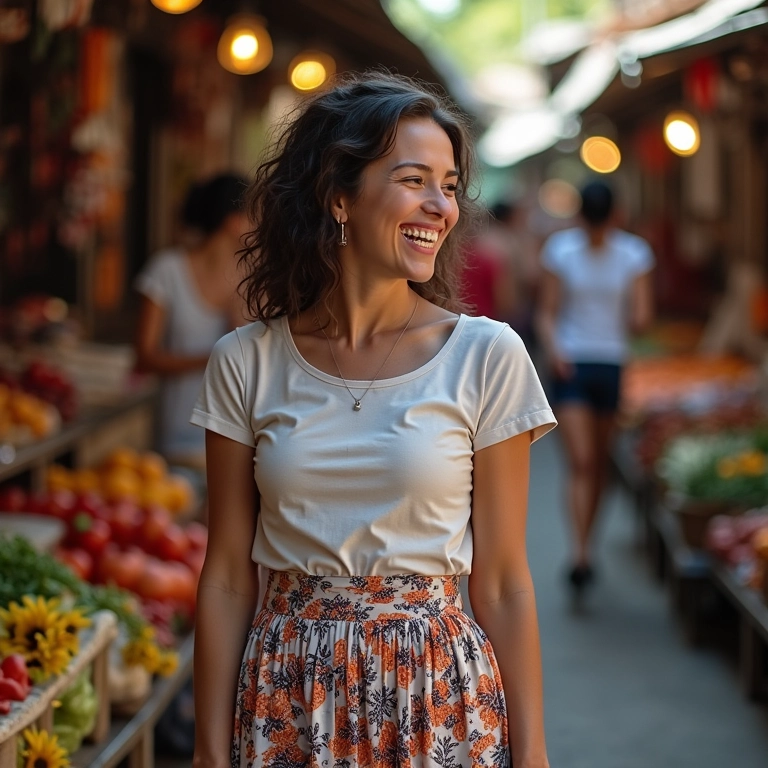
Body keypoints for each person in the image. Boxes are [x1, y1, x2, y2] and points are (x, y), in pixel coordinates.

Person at [190, 72, 557, 768]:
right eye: (414, 180)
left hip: (438, 699)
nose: (440, 207)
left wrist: (533, 756)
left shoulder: (487, 355)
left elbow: (505, 579)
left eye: (449, 186)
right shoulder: (245, 361)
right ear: (339, 197)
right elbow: (228, 576)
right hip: (287, 699)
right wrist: (209, 753)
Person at [536, 180, 654, 595]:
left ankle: (589, 542)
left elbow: (641, 316)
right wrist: (555, 351)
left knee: (600, 462)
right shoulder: (560, 250)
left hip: (612, 362)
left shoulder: (636, 253)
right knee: (582, 461)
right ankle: (580, 554)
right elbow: (547, 312)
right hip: (572, 363)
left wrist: (638, 313)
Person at [134, 173, 248, 467]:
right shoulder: (166, 270)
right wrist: (216, 356)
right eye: (254, 216)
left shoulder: (249, 282)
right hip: (177, 440)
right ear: (233, 221)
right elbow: (144, 357)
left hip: (235, 440)